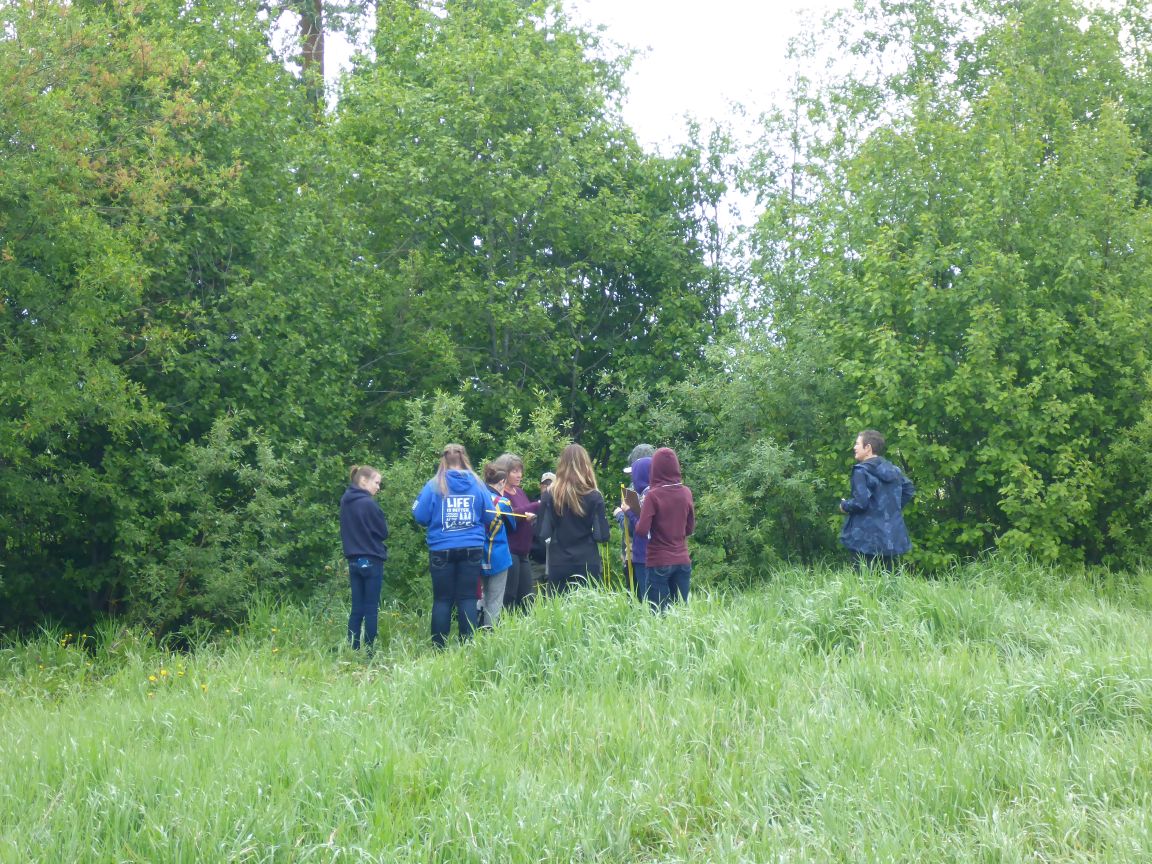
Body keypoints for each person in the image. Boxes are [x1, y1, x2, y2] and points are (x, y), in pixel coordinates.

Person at [412, 444, 493, 647]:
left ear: (444, 460)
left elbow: (420, 516)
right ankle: (468, 645)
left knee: (442, 600)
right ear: (464, 458)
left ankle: (439, 647)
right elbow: (490, 514)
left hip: (441, 547)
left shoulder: (434, 484)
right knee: (467, 598)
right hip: (472, 547)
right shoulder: (478, 484)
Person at [839, 429, 915, 569]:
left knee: (863, 583)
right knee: (890, 581)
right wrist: (890, 509)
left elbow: (861, 503)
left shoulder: (861, 471)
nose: (854, 448)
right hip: (891, 536)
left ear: (868, 448)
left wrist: (845, 505)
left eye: (857, 444)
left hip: (865, 538)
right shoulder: (894, 469)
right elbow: (909, 490)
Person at [538, 444, 610, 594]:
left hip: (559, 562)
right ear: (586, 465)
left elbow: (543, 533)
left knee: (560, 613)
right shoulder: (594, 496)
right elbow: (602, 536)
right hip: (587, 561)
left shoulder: (549, 496)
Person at [636, 447, 695, 610]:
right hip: (682, 559)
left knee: (659, 614)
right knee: (682, 613)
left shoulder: (653, 496)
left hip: (658, 560)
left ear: (654, 469)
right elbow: (689, 529)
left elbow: (642, 530)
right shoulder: (686, 492)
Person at [339, 465, 389, 651]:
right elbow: (383, 532)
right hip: (372, 559)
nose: (378, 487)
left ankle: (353, 648)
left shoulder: (345, 501)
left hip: (353, 560)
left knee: (357, 607)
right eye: (376, 483)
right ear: (363, 481)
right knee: (370, 608)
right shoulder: (369, 504)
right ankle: (369, 651)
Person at [495, 452, 539, 612]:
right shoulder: (500, 495)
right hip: (510, 550)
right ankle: (503, 631)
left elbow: (523, 513)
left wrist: (530, 515)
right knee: (509, 596)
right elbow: (511, 513)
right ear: (504, 473)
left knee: (528, 598)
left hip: (524, 552)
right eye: (514, 471)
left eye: (520, 471)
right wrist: (536, 505)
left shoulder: (519, 492)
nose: (519, 475)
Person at [478, 462, 516, 628]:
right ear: (501, 482)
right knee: (495, 598)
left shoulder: (477, 498)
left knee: (479, 595)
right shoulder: (503, 503)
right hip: (498, 557)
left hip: (478, 555)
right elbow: (512, 527)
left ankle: (473, 630)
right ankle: (489, 635)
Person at [613, 455, 652, 601]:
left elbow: (638, 528)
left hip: (640, 554)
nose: (632, 478)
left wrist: (622, 514)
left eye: (633, 473)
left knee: (641, 599)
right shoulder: (665, 492)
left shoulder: (643, 495)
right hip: (664, 554)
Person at [528, 472, 555, 586]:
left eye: (551, 484)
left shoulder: (562, 506)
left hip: (556, 561)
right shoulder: (532, 505)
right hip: (536, 560)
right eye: (545, 484)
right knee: (533, 599)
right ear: (541, 486)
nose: (547, 487)